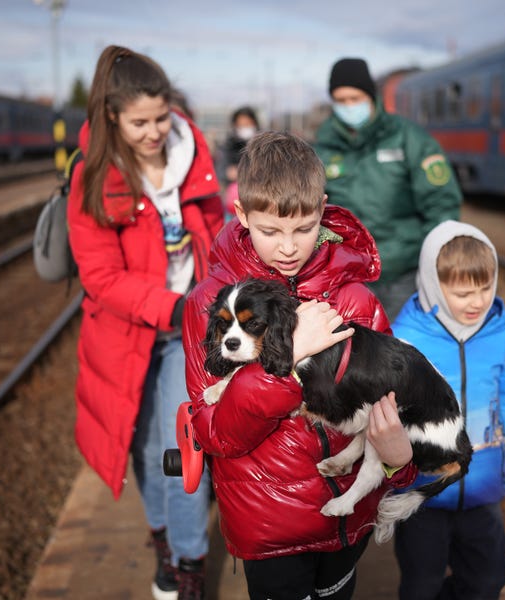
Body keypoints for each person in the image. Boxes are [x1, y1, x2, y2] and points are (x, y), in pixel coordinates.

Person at [182, 131, 418, 600]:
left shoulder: (353, 299)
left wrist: (399, 461)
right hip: (270, 529)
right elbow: (214, 432)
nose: (289, 246)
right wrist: (287, 363)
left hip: (348, 523)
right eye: (270, 231)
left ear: (322, 209)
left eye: (304, 228)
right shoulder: (212, 304)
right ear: (242, 215)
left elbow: (393, 401)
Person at [66, 45, 223, 600]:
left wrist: (206, 300)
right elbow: (102, 278)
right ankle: (163, 544)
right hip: (126, 336)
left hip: (187, 334)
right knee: (143, 455)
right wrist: (171, 306)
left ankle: (188, 570)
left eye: (162, 117)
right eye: (140, 123)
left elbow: (216, 229)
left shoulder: (191, 153)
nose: (155, 131)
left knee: (179, 453)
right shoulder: (94, 177)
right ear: (111, 117)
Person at [389, 220, 505, 600]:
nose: (477, 302)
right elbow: (386, 414)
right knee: (420, 584)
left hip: (481, 492)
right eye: (462, 293)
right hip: (421, 494)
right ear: (432, 285)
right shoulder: (406, 339)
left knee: (488, 581)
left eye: (485, 288)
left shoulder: (501, 336)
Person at [314, 57, 464, 319]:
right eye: (341, 100)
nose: (349, 106)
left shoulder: (409, 138)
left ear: (371, 96)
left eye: (355, 98)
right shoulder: (322, 148)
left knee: (401, 348)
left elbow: (441, 202)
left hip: (404, 273)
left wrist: (432, 259)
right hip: (347, 276)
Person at [216, 106, 260, 220]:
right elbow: (220, 170)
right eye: (241, 125)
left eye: (248, 124)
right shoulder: (228, 146)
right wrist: (227, 173)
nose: (245, 128)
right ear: (235, 126)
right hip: (233, 201)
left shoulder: (263, 146)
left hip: (259, 199)